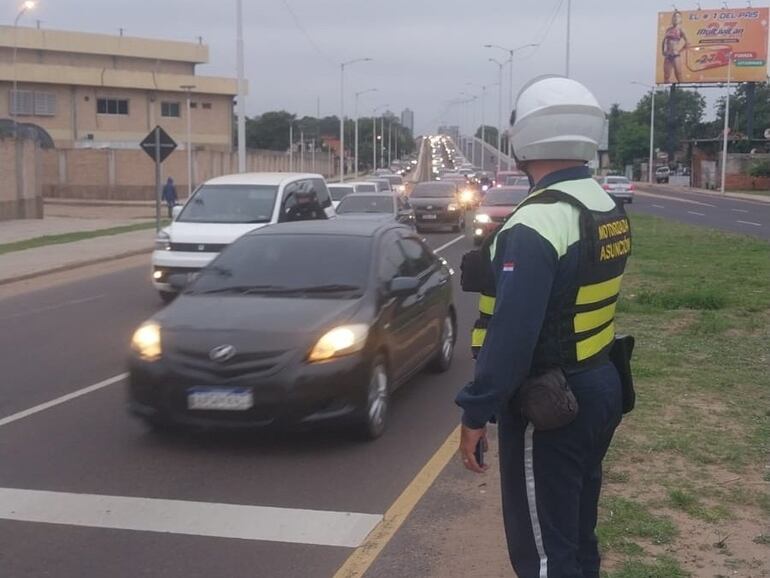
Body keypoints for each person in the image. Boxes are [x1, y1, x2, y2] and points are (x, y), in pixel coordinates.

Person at [456, 76, 632, 578]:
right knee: (575, 534)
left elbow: (511, 337)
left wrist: (475, 412)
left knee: (543, 554)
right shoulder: (602, 205)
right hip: (600, 385)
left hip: (550, 402)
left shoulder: (537, 222)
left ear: (525, 138)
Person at [662, 10, 689, 84]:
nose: (676, 18)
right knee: (666, 75)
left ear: (680, 19)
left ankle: (682, 90)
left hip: (675, 54)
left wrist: (680, 51)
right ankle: (666, 91)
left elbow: (688, 42)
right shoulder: (668, 29)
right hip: (668, 54)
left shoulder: (681, 29)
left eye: (678, 16)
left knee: (678, 74)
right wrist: (663, 51)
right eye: (675, 16)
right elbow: (664, 40)